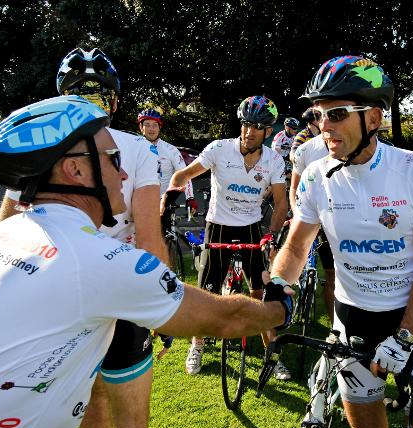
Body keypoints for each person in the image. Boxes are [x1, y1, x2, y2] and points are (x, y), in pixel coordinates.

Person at [0, 95, 293, 428]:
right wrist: (279, 307)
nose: (125, 175)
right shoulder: (106, 262)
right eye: (114, 159)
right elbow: (225, 317)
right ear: (75, 170)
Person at [270, 56, 413, 428]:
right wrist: (277, 287)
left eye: (336, 113)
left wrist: (404, 336)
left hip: (412, 320)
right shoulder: (316, 176)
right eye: (317, 115)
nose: (324, 126)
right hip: (352, 317)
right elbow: (298, 244)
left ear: (373, 118)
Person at [0, 48, 166, 428]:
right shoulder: (137, 148)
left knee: (82, 405)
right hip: (118, 286)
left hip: (51, 291)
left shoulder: (37, 139)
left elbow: (7, 227)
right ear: (115, 102)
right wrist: (160, 305)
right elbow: (150, 239)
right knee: (130, 415)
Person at [165, 95, 290, 379]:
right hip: (218, 226)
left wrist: (271, 234)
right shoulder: (219, 149)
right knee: (207, 292)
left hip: (251, 228)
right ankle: (197, 345)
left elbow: (281, 202)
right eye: (245, 124)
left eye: (257, 127)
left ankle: (272, 354)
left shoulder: (273, 160)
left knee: (260, 293)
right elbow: (182, 175)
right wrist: (169, 198)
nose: (249, 131)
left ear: (268, 131)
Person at [289, 134, 335, 322]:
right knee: (332, 278)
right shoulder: (305, 149)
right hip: (318, 220)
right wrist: (298, 215)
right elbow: (293, 188)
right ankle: (336, 331)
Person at [137, 108, 198, 215]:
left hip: (163, 202)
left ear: (160, 127)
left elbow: (184, 174)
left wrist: (190, 198)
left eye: (155, 125)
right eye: (147, 124)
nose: (151, 128)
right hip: (139, 199)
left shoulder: (170, 150)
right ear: (141, 127)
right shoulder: (134, 148)